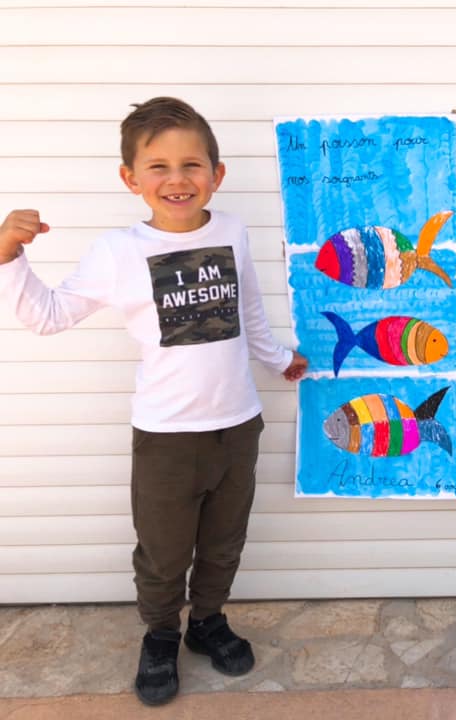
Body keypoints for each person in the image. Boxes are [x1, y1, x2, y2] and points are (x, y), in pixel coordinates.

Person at [0, 97, 308, 706]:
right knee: (164, 554)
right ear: (131, 178)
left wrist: (277, 358)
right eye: (158, 166)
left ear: (216, 174)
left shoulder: (232, 231)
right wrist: (9, 256)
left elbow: (247, 309)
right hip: (166, 436)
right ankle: (162, 634)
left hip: (238, 426)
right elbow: (49, 316)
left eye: (191, 164)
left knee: (223, 543)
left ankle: (207, 623)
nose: (176, 179)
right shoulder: (118, 251)